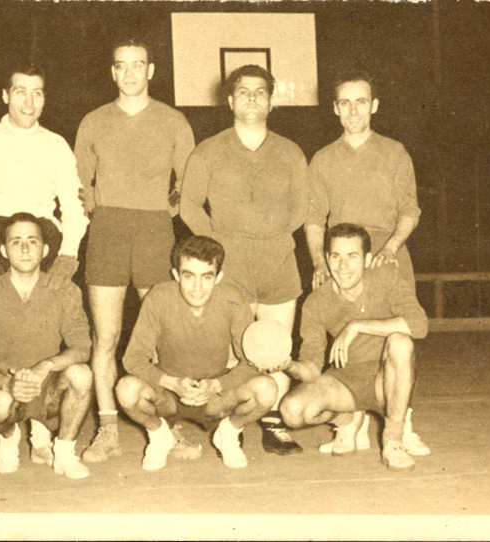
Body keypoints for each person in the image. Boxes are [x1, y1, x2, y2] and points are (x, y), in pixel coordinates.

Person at [74, 38, 195, 463]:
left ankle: (168, 427)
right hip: (107, 230)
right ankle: (107, 429)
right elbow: (79, 183)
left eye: (137, 64)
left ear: (151, 70)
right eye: (121, 65)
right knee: (105, 337)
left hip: (154, 230)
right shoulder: (93, 121)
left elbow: (188, 181)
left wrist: (165, 210)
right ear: (112, 72)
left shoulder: (173, 121)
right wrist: (100, 211)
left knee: (161, 338)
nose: (129, 73)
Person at [180, 64, 307, 455]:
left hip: (277, 260)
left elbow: (301, 207)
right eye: (243, 91)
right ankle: (230, 423)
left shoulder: (290, 151)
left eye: (260, 91)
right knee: (233, 350)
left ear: (271, 101)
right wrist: (217, 243)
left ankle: (272, 423)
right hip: (230, 263)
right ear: (230, 100)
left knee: (276, 347)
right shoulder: (209, 150)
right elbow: (188, 205)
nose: (252, 98)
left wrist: (271, 234)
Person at [116, 235, 277, 470]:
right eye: (188, 276)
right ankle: (159, 435)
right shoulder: (159, 297)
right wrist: (172, 383)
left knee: (267, 389)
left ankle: (228, 433)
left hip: (214, 395)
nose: (197, 287)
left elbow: (251, 361)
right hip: (169, 394)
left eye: (206, 277)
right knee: (126, 389)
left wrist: (216, 385)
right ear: (176, 275)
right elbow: (133, 358)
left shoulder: (233, 299)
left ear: (218, 277)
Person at [280, 223, 430, 470]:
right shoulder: (316, 302)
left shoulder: (387, 278)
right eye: (336, 256)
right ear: (327, 259)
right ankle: (347, 421)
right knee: (292, 411)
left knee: (401, 342)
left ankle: (393, 440)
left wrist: (357, 326)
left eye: (352, 256)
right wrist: (288, 366)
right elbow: (312, 368)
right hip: (346, 380)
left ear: (367, 259)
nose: (343, 266)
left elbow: (419, 325)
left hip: (387, 378)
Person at [0, 213, 92, 479]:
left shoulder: (64, 290)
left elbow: (82, 347)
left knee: (81, 374)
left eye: (32, 241)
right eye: (16, 241)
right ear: (3, 251)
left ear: (45, 250)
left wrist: (46, 366)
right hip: (4, 386)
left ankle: (63, 452)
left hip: (46, 386)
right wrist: (7, 383)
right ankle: (5, 441)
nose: (24, 248)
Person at [0, 61, 88, 292]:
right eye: (21, 92)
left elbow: (75, 206)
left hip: (42, 238)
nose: (29, 103)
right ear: (6, 96)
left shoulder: (56, 144)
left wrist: (68, 255)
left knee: (50, 311)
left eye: (37, 93)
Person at [306, 72, 420, 291]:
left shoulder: (395, 152)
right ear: (336, 108)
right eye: (345, 103)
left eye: (361, 102)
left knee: (399, 312)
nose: (353, 111)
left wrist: (390, 249)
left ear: (374, 106)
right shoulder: (322, 159)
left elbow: (409, 211)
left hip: (386, 254)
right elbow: (313, 217)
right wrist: (320, 263)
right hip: (342, 259)